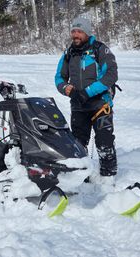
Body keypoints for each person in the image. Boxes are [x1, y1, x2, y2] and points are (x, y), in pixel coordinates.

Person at [55, 16, 118, 184]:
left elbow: (111, 75)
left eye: (79, 31)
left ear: (87, 32)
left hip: (100, 104)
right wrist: (65, 88)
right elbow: (59, 77)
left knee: (104, 141)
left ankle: (108, 177)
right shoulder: (68, 53)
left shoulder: (100, 49)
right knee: (77, 144)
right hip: (78, 106)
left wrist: (88, 92)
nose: (75, 34)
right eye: (73, 31)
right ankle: (81, 177)